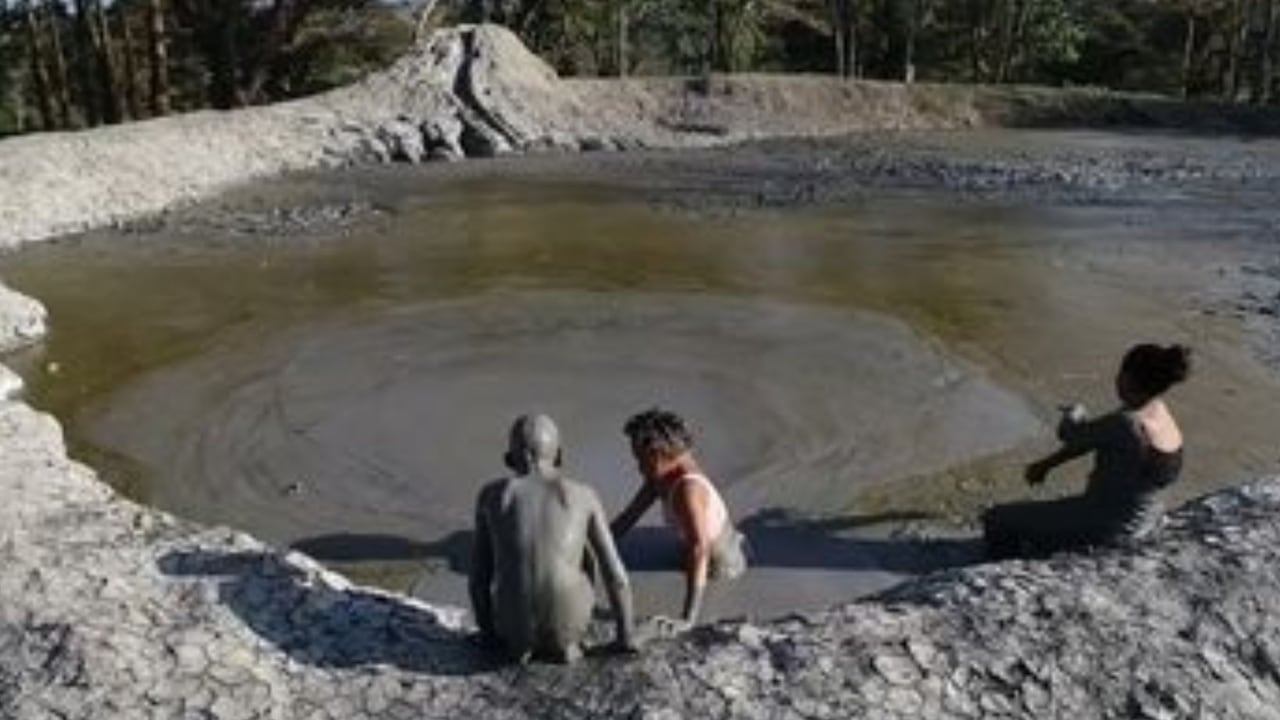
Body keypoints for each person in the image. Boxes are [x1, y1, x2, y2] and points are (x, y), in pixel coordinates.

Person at [983, 343, 1191, 559]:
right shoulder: (1157, 411)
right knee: (1044, 514)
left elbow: (1070, 434)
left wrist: (1074, 412)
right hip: (1146, 518)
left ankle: (1001, 565)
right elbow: (1090, 442)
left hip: (1108, 526)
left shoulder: (1124, 423)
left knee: (996, 518)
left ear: (1127, 377)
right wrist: (1047, 465)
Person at [469, 414, 636, 663]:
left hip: (513, 632)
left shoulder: (493, 496)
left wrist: (488, 635)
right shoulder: (583, 495)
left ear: (509, 459)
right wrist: (625, 638)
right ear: (559, 456)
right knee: (586, 555)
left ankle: (521, 642)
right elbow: (616, 577)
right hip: (567, 631)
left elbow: (479, 579)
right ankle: (567, 639)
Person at [610, 408, 747, 627]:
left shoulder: (688, 489)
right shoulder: (662, 474)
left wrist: (688, 617)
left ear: (657, 455)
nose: (638, 468)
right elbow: (628, 517)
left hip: (720, 566)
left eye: (640, 459)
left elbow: (699, 548)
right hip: (704, 549)